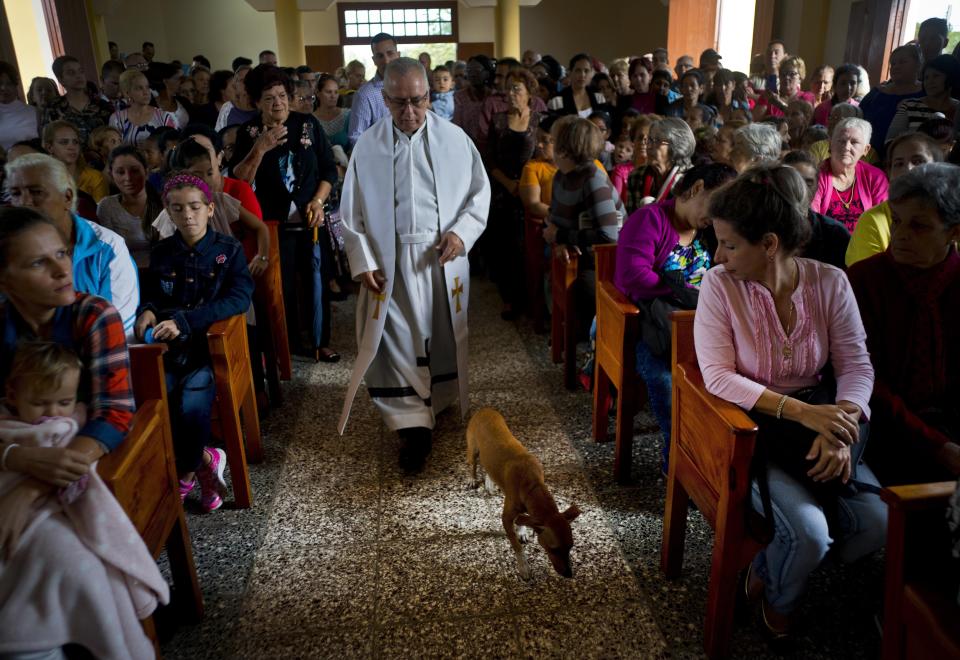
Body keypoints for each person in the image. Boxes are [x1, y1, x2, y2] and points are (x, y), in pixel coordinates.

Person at [695, 163, 885, 637]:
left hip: (822, 423)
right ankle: (780, 595)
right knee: (810, 533)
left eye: (729, 243)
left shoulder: (829, 282)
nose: (718, 255)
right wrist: (804, 413)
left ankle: (771, 564)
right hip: (756, 429)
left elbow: (857, 367)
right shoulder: (721, 286)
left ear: (770, 245)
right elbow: (717, 376)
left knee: (875, 523)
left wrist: (841, 431)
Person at [0, 208, 168, 659]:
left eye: (61, 253)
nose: (61, 269)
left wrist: (31, 486)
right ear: (4, 279)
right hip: (17, 456)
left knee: (66, 561)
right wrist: (15, 458)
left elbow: (113, 415)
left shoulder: (92, 315)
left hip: (76, 463)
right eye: (38, 263)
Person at [337, 58, 490, 472]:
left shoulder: (455, 140)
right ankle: (413, 430)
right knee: (398, 341)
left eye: (418, 101)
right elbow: (349, 213)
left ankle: (433, 407)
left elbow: (479, 194)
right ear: (384, 99)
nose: (409, 112)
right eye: (400, 102)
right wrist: (363, 259)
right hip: (391, 266)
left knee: (439, 336)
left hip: (440, 261)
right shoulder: (368, 146)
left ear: (430, 96)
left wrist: (461, 233)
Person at [135, 174, 254, 512]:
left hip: (208, 350)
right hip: (170, 351)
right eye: (177, 208)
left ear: (209, 208)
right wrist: (147, 310)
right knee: (158, 403)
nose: (187, 215)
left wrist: (186, 322)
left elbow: (238, 299)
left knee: (191, 405)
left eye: (195, 207)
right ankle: (207, 458)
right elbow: (154, 295)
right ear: (168, 213)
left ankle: (185, 473)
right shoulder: (163, 253)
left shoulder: (227, 250)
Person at [614, 163, 736, 473]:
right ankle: (679, 465)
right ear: (696, 189)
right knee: (666, 383)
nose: (716, 216)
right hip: (655, 330)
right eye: (715, 204)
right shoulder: (650, 220)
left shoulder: (709, 231)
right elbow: (631, 276)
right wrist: (685, 292)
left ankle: (712, 464)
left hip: (706, 327)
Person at [849, 162, 960, 485]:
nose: (900, 236)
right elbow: (867, 381)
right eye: (896, 222)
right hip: (883, 430)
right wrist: (939, 447)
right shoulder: (864, 280)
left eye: (919, 226)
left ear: (953, 231)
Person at [230, 65, 339, 360]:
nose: (278, 103)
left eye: (282, 95)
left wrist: (317, 201)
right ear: (256, 103)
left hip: (311, 219)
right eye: (269, 98)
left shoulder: (308, 125)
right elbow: (239, 181)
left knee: (317, 283)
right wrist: (260, 148)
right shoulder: (249, 132)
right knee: (283, 287)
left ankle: (320, 342)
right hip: (272, 226)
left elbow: (329, 169)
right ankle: (287, 345)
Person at [4, 154, 139, 336]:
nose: (24, 203)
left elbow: (115, 330)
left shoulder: (108, 247)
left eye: (36, 192)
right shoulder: (6, 247)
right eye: (15, 194)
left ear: (67, 197)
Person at [543, 116, 625, 327]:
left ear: (565, 149)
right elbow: (553, 220)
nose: (550, 145)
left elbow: (609, 236)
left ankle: (593, 344)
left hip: (607, 261)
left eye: (554, 141)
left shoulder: (592, 179)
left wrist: (561, 236)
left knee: (585, 289)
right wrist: (560, 241)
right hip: (580, 253)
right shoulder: (561, 176)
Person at [485, 68, 542, 320]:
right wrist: (509, 184)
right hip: (503, 191)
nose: (510, 94)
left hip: (534, 190)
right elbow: (490, 160)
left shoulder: (540, 120)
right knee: (504, 247)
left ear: (529, 94)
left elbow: (544, 157)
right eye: (507, 89)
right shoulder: (497, 120)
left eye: (516, 89)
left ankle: (533, 299)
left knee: (529, 247)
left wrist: (527, 184)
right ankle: (509, 299)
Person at [846, 132, 943, 266]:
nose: (908, 169)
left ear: (938, 169)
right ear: (889, 174)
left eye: (918, 161)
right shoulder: (874, 220)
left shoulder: (951, 216)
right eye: (899, 164)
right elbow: (869, 279)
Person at [811, 117, 888, 232]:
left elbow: (882, 222)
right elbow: (812, 220)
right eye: (841, 141)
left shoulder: (876, 178)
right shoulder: (816, 175)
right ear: (830, 144)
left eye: (854, 142)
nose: (846, 147)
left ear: (866, 150)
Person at [519, 115, 558, 333]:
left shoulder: (591, 164)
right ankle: (544, 317)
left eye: (547, 140)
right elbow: (533, 203)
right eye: (539, 139)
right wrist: (562, 217)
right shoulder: (533, 167)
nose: (540, 145)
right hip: (543, 228)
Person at [96, 145, 163, 269]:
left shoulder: (163, 203)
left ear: (146, 172)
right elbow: (108, 252)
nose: (128, 178)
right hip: (122, 274)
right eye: (120, 172)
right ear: (111, 175)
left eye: (135, 171)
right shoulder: (107, 206)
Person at [858, 44, 923, 160]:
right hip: (869, 158)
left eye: (902, 62)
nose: (896, 66)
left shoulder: (926, 94)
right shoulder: (877, 93)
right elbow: (858, 119)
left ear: (918, 65)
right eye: (893, 63)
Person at [624, 117, 695, 212]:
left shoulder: (690, 181)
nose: (648, 146)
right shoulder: (636, 175)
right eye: (649, 140)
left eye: (657, 141)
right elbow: (631, 219)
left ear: (676, 146)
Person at [885, 54, 960, 143]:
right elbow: (890, 141)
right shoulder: (909, 105)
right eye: (926, 78)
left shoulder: (958, 107)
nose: (929, 82)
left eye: (936, 76)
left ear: (950, 77)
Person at [40, 55, 113, 146]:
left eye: (81, 71)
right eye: (71, 73)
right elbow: (46, 142)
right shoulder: (53, 109)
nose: (78, 76)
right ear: (61, 79)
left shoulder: (102, 105)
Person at [348, 33, 400, 147]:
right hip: (380, 158)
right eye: (380, 56)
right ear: (374, 60)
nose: (386, 61)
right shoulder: (364, 95)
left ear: (398, 55)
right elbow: (356, 137)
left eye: (390, 53)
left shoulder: (408, 86)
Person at [42, 120, 109, 204]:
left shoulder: (95, 178)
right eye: (64, 142)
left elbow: (99, 214)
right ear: (49, 147)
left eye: (75, 142)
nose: (72, 147)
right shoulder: (41, 178)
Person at [110, 69, 177, 146]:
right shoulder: (117, 119)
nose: (146, 92)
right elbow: (113, 150)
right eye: (139, 88)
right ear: (127, 93)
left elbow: (174, 147)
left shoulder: (164, 116)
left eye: (147, 87)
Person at [547, 53, 607, 118]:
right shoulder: (557, 101)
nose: (582, 75)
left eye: (586, 71)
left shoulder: (599, 98)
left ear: (592, 73)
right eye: (578, 70)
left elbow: (604, 124)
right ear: (570, 72)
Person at [453, 55, 494, 147]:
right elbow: (457, 126)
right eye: (469, 70)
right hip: (465, 145)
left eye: (477, 70)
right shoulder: (459, 96)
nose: (472, 74)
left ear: (487, 72)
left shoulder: (494, 97)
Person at [314, 73, 351, 152]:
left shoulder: (348, 115)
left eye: (336, 92)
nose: (333, 96)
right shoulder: (311, 119)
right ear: (318, 93)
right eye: (328, 92)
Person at [149, 61, 189, 128]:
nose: (181, 82)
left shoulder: (183, 101)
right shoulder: (151, 104)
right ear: (165, 81)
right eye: (178, 79)